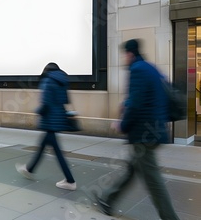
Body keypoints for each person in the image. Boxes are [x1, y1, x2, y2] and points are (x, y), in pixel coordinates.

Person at [94, 39, 179, 219]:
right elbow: (154, 97)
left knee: (154, 182)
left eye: (124, 54)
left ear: (130, 54)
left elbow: (136, 104)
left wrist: (122, 124)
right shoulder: (151, 68)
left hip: (145, 135)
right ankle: (108, 201)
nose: (123, 58)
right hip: (155, 130)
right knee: (132, 169)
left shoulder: (137, 70)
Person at [16, 62, 77, 191]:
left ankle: (70, 180)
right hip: (58, 118)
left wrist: (38, 111)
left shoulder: (48, 81)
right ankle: (29, 169)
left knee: (57, 151)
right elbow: (65, 101)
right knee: (44, 145)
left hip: (49, 120)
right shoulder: (63, 81)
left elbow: (46, 103)